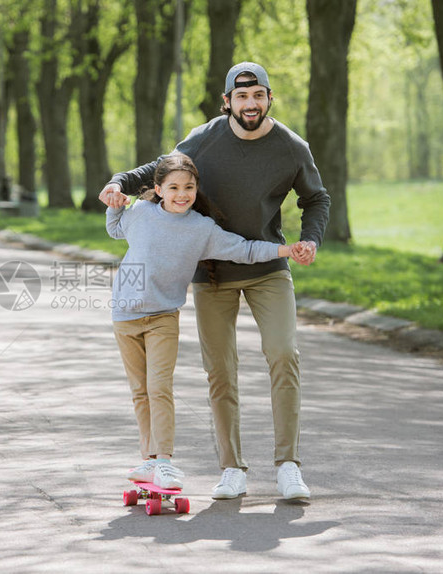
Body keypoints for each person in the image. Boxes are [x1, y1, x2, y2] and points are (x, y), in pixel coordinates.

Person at [101, 62, 330, 500]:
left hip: (267, 266)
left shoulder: (290, 147)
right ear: (228, 101)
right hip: (212, 272)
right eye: (241, 97)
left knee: (284, 354)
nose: (250, 104)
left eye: (258, 95)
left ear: (268, 99)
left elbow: (316, 197)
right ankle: (232, 467)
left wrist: (310, 239)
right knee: (220, 370)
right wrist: (118, 182)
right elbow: (160, 169)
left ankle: (287, 465)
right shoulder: (204, 138)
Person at [107, 152, 307, 491]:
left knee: (159, 388)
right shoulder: (140, 213)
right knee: (140, 392)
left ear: (197, 190)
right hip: (123, 315)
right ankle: (149, 461)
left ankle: (165, 462)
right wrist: (115, 202)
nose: (182, 194)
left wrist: (284, 251)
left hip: (162, 318)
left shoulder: (201, 229)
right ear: (158, 189)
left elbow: (243, 250)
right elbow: (115, 228)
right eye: (173, 187)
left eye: (189, 187)